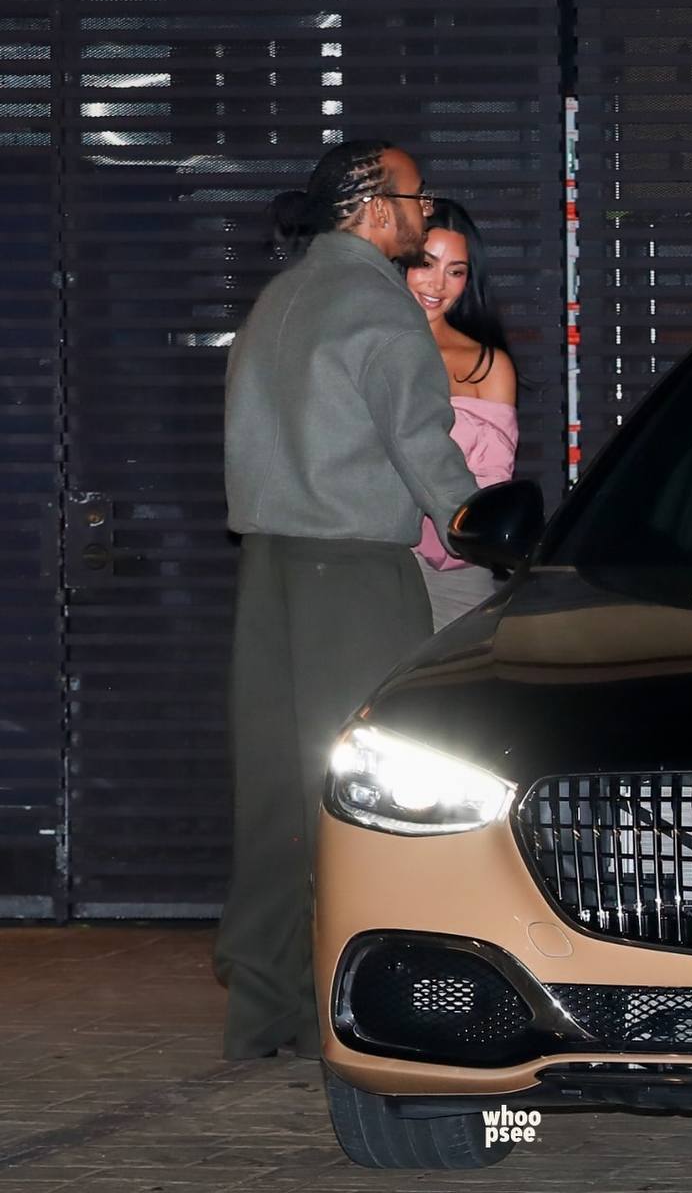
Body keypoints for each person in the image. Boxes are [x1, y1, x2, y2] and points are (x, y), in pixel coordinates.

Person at [213, 142, 477, 1060]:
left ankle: (263, 1006)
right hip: (355, 574)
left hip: (268, 571)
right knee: (377, 793)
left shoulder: (281, 296)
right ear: (371, 207)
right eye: (415, 197)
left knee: (276, 794)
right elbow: (424, 445)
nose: (425, 210)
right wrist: (488, 530)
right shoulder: (379, 304)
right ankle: (378, 1006)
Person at [406, 200, 519, 629]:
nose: (438, 284)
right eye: (425, 263)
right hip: (367, 560)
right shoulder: (359, 348)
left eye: (455, 271)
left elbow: (491, 485)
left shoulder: (487, 366)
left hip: (454, 571)